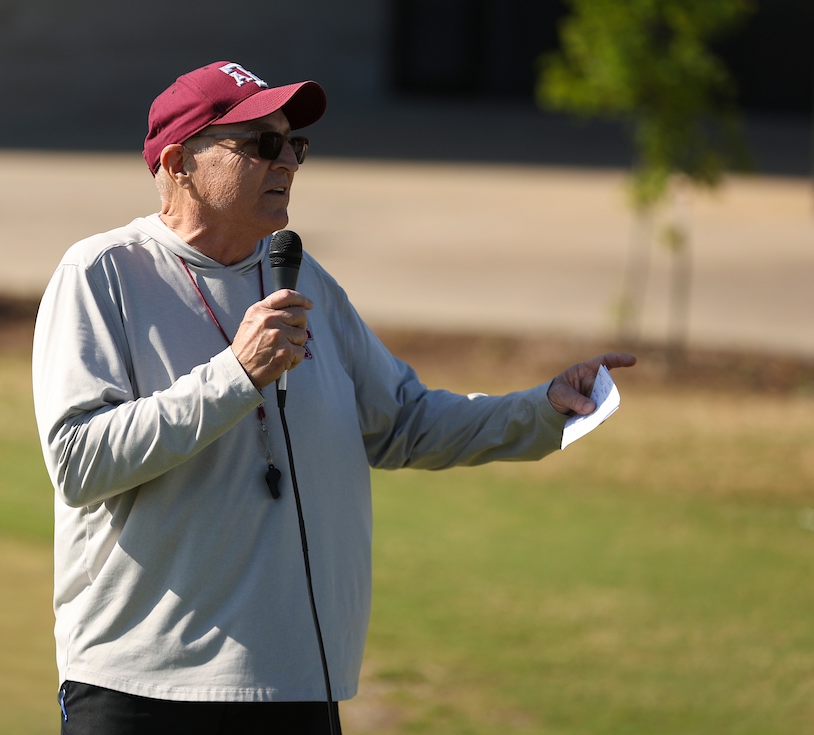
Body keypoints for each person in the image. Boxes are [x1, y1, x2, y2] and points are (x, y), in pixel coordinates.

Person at [31, 60, 635, 735]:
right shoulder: (103, 273)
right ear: (178, 162)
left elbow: (400, 422)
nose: (286, 161)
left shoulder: (300, 277)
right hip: (144, 691)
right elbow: (79, 461)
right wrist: (236, 375)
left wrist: (540, 409)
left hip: (296, 684)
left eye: (295, 145)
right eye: (261, 144)